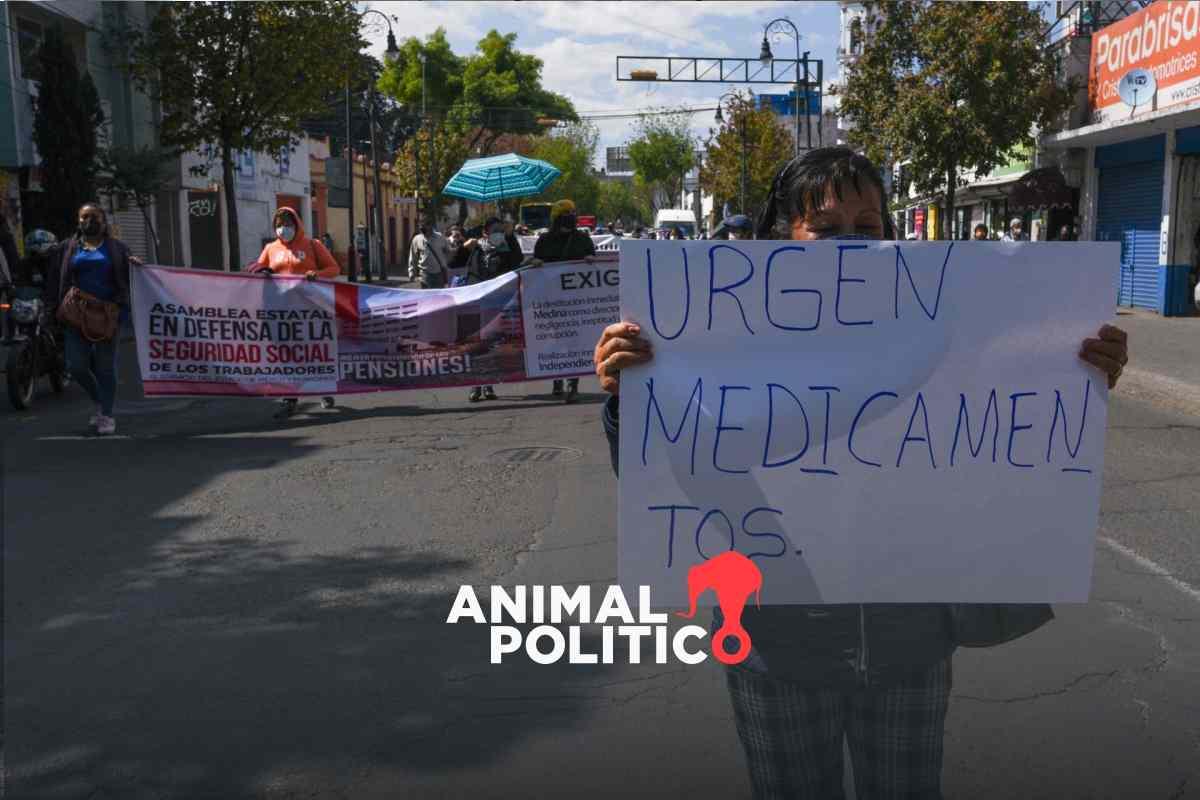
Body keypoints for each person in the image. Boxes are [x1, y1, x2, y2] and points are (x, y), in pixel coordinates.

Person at [592, 146, 1130, 800]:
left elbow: (1013, 422)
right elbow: (667, 478)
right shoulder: (720, 347)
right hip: (778, 646)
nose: (847, 246)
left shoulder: (941, 332)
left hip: (909, 643)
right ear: (779, 239)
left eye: (866, 228)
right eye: (824, 228)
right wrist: (632, 399)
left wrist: (1079, 373)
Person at [53, 203, 137, 436]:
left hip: (108, 315)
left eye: (94, 217)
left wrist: (137, 267)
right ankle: (100, 401)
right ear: (77, 221)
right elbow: (57, 278)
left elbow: (133, 275)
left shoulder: (118, 249)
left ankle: (106, 415)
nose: (88, 221)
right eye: (83, 217)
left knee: (104, 367)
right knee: (76, 366)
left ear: (104, 221)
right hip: (76, 315)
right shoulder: (68, 247)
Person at [249, 207, 340, 419]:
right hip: (281, 313)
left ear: (297, 225)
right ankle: (289, 399)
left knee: (312, 353)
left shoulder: (312, 245)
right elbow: (255, 268)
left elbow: (334, 269)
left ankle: (322, 389)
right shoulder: (270, 248)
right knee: (286, 356)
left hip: (310, 312)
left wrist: (316, 274)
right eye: (279, 225)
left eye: (288, 225)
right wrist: (261, 270)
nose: (283, 229)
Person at [534, 199, 595, 403]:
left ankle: (573, 385)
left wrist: (590, 261)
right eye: (564, 217)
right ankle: (556, 379)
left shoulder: (583, 239)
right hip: (551, 301)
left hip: (576, 302)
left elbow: (593, 263)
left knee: (574, 343)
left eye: (571, 216)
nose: (568, 221)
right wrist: (535, 263)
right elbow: (535, 264)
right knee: (554, 342)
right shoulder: (544, 240)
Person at [461, 217, 523, 403]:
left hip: (497, 305)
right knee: (475, 345)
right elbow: (452, 261)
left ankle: (488, 385)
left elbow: (517, 260)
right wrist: (465, 248)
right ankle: (475, 385)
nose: (497, 233)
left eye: (500, 230)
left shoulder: (506, 249)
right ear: (485, 233)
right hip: (475, 303)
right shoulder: (476, 249)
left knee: (491, 344)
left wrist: (510, 236)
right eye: (493, 230)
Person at [409, 218, 451, 288]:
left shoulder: (440, 237)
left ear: (430, 226)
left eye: (424, 226)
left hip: (439, 274)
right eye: (420, 227)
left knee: (438, 296)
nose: (421, 229)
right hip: (424, 274)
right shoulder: (417, 239)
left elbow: (448, 251)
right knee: (426, 296)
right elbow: (413, 256)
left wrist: (445, 264)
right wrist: (411, 272)